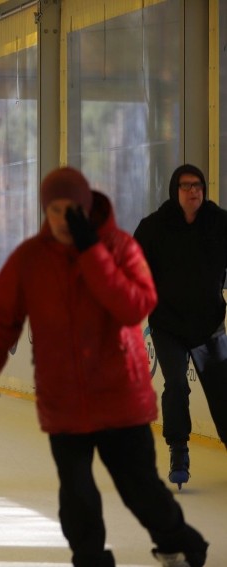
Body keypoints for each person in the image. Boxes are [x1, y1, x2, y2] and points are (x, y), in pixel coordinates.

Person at [0, 167, 208, 567]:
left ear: (87, 207)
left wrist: (94, 253)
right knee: (76, 496)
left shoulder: (121, 248)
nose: (63, 219)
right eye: (55, 210)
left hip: (119, 397)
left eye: (72, 209)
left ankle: (179, 540)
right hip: (64, 399)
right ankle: (90, 558)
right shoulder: (31, 258)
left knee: (140, 490)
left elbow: (136, 305)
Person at [133, 163, 227, 489]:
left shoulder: (220, 223)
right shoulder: (154, 227)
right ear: (176, 191)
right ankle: (179, 449)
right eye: (186, 186)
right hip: (168, 324)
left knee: (222, 390)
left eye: (198, 185)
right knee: (176, 383)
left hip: (209, 325)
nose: (193, 191)